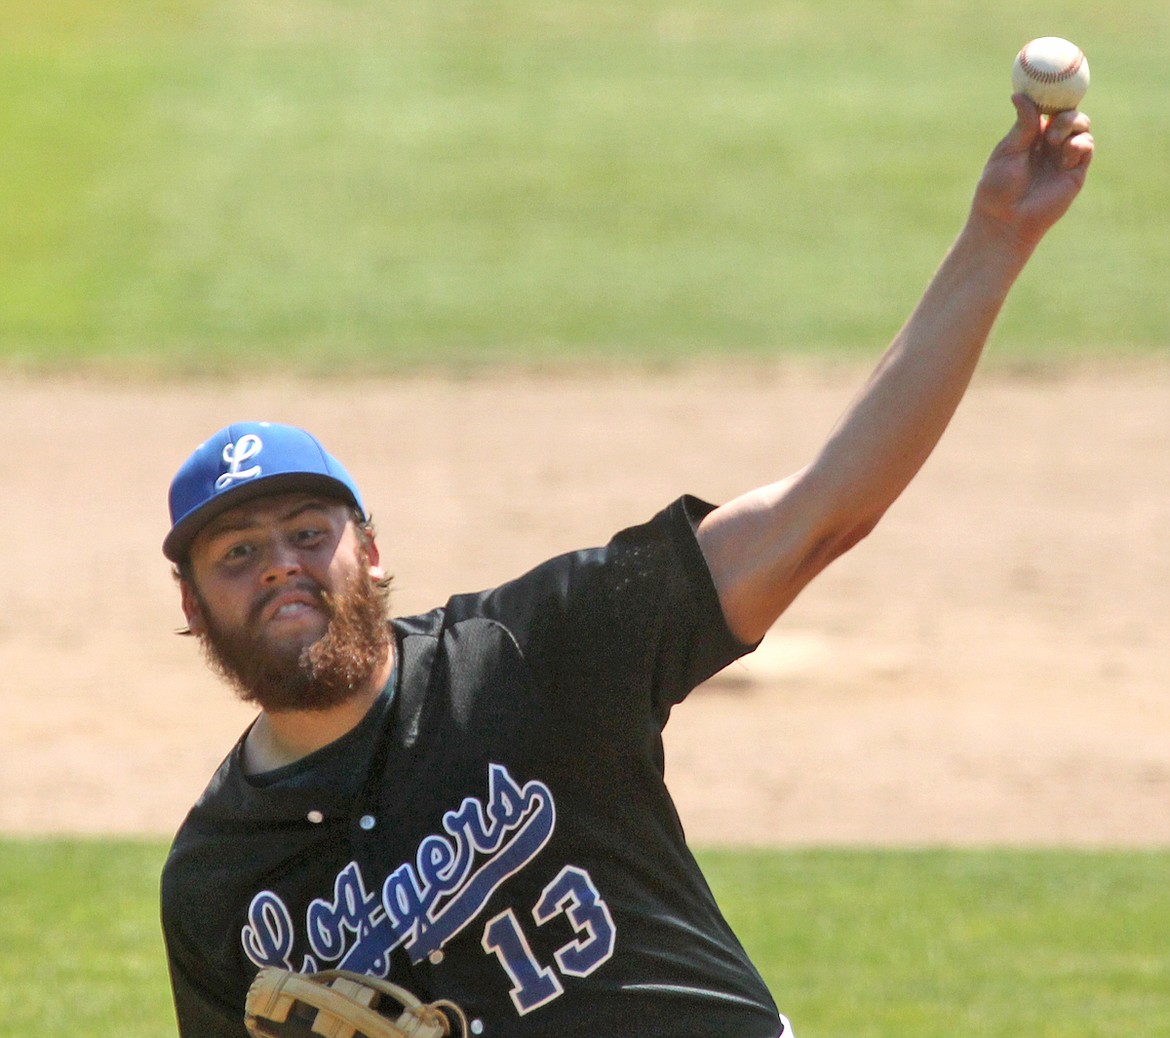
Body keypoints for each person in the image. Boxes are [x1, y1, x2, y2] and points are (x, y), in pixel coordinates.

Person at [159, 94, 1093, 1038]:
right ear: (193, 606)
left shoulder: (534, 652)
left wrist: (995, 239)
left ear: (371, 549)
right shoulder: (216, 879)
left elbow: (820, 513)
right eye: (239, 553)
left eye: (308, 533)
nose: (282, 565)